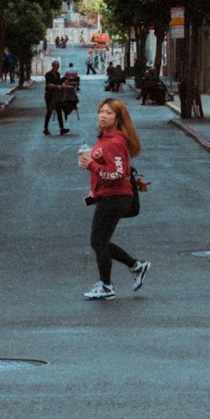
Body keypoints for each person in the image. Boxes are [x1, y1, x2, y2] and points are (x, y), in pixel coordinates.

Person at [78, 98, 150, 300]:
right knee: (100, 241)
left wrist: (92, 166)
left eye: (109, 113)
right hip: (108, 196)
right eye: (101, 111)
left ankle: (106, 286)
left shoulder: (116, 141)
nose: (103, 115)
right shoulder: (105, 138)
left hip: (115, 197)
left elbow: (117, 173)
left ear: (118, 118)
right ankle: (136, 266)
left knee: (98, 242)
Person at [44, 59, 68, 136]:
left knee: (59, 111)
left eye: (58, 66)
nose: (57, 68)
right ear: (53, 66)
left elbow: (59, 82)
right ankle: (45, 128)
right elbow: (48, 84)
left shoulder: (57, 74)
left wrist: (63, 80)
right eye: (56, 66)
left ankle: (61, 129)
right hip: (49, 95)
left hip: (57, 95)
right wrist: (56, 86)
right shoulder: (48, 74)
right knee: (49, 111)